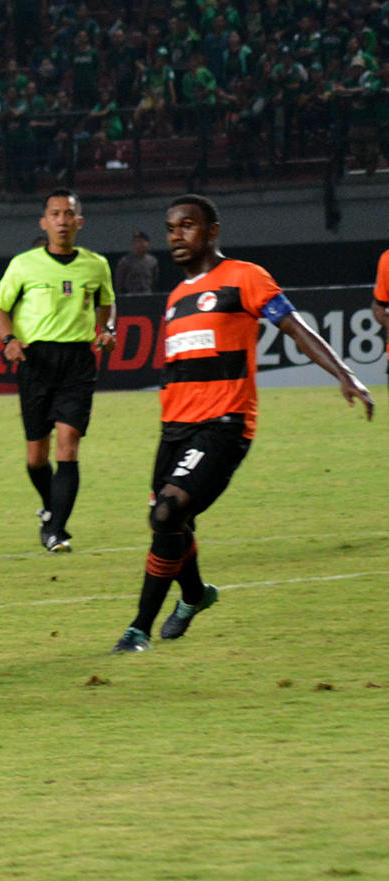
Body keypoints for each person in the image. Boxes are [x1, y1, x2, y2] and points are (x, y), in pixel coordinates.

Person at [110, 195, 374, 653]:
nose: (176, 235)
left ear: (212, 231)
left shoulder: (245, 278)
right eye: (171, 227)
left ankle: (138, 630)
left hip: (224, 425)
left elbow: (294, 327)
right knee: (169, 525)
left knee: (168, 512)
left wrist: (344, 372)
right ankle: (193, 596)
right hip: (174, 429)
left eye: (188, 225)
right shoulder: (174, 298)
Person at [0, 188, 116, 553]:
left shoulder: (96, 265)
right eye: (55, 214)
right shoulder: (23, 264)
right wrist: (8, 340)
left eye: (69, 214)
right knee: (36, 456)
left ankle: (56, 530)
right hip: (35, 362)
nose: (62, 220)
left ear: (80, 221)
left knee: (68, 446)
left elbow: (107, 304)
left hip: (77, 361)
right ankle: (51, 507)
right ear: (44, 222)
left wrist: (106, 331)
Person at [115, 229, 159, 294]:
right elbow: (119, 281)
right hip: (131, 295)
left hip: (147, 294)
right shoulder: (126, 261)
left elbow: (155, 279)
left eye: (143, 242)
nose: (141, 244)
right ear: (134, 244)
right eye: (138, 242)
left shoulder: (152, 261)